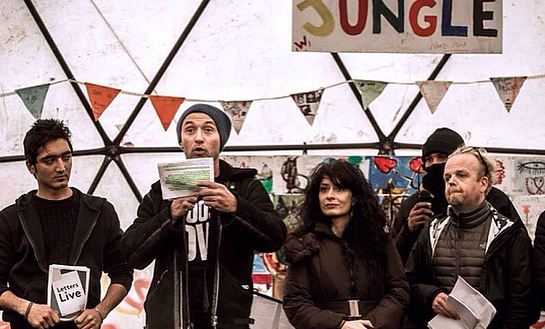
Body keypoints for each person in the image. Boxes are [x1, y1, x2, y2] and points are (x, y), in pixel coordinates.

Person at [122, 104, 286, 329]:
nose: (198, 138)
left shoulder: (244, 186)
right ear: (181, 141)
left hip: (227, 319)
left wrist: (236, 207)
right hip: (170, 320)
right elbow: (131, 254)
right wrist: (169, 215)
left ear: (221, 139)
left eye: (208, 130)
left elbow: (275, 237)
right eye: (190, 131)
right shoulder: (161, 192)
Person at [0, 119, 133, 329]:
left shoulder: (100, 212)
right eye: (49, 160)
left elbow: (122, 272)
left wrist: (100, 311)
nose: (61, 167)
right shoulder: (11, 219)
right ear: (31, 167)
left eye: (66, 157)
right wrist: (27, 308)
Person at [406, 146, 535, 328]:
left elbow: (523, 302)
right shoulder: (432, 230)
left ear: (483, 184)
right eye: (447, 177)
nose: (451, 182)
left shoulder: (509, 234)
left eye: (461, 175)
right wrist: (431, 295)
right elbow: (408, 281)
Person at [283, 160, 409, 329]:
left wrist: (371, 324)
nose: (330, 195)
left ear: (355, 197)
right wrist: (339, 324)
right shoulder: (304, 243)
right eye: (324, 189)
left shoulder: (378, 240)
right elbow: (295, 302)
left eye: (339, 189)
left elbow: (399, 291)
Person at [392, 128, 520, 264]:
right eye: (429, 159)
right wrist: (408, 230)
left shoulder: (494, 199)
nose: (435, 163)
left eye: (441, 157)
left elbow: (518, 252)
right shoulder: (414, 205)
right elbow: (392, 261)